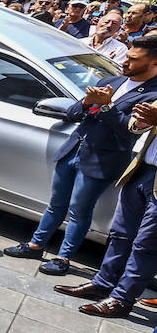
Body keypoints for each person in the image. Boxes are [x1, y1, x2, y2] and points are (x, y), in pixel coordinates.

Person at [3, 36, 157, 275]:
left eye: (133, 59)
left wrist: (106, 106)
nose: (125, 62)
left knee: (79, 209)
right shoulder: (112, 81)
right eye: (127, 56)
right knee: (56, 203)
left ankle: (63, 258)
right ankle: (35, 244)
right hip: (74, 149)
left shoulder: (152, 96)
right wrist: (87, 102)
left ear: (154, 63)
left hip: (103, 160)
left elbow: (128, 130)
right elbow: (73, 113)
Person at [55, 80, 157, 320]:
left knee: (145, 246)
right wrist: (135, 118)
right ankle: (103, 284)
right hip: (143, 170)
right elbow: (134, 127)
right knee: (120, 235)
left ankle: (121, 300)